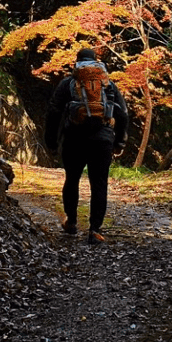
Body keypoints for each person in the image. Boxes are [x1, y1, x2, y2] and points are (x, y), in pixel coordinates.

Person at [42, 46, 129, 242]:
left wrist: (52, 141)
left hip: (74, 139)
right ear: (97, 62)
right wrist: (120, 142)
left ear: (77, 62)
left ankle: (71, 221)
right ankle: (95, 230)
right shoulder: (108, 85)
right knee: (99, 184)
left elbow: (53, 112)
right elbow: (122, 114)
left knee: (72, 179)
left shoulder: (69, 83)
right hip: (103, 139)